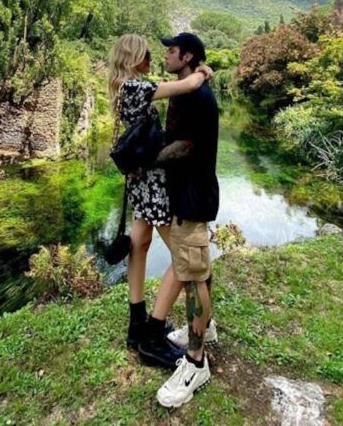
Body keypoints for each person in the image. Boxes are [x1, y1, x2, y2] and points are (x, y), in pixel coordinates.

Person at [108, 34, 214, 370]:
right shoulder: (135, 87)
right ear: (134, 57)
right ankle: (153, 336)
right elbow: (186, 85)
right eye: (147, 55)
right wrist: (202, 72)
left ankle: (136, 322)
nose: (152, 59)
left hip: (138, 179)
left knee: (139, 243)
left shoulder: (123, 86)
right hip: (152, 182)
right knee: (183, 257)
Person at [152, 32, 220, 409]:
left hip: (193, 198)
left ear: (188, 56)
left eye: (172, 51)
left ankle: (196, 363)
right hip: (186, 195)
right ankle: (204, 328)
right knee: (196, 266)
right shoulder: (186, 89)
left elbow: (186, 146)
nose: (166, 55)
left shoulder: (197, 96)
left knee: (193, 276)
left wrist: (147, 157)